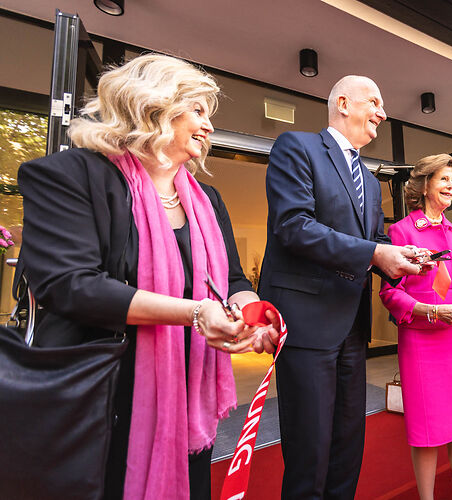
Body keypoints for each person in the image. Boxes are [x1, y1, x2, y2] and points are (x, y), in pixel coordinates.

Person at [16, 54, 280, 499]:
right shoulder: (69, 176)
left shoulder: (207, 200)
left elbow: (232, 279)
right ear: (154, 107)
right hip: (100, 398)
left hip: (185, 392)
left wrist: (249, 313)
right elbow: (70, 286)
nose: (209, 126)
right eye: (197, 110)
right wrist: (195, 313)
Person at [257, 75, 422, 499]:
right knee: (310, 442)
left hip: (351, 325)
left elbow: (376, 240)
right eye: (376, 102)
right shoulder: (297, 147)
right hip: (308, 322)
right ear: (344, 103)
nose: (383, 114)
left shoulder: (369, 179)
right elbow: (293, 226)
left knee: (350, 440)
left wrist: (401, 258)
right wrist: (374, 254)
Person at [379, 154, 452, 500]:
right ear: (426, 185)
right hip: (422, 343)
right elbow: (389, 293)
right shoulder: (400, 231)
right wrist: (430, 310)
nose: (451, 186)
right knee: (427, 430)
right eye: (444, 179)